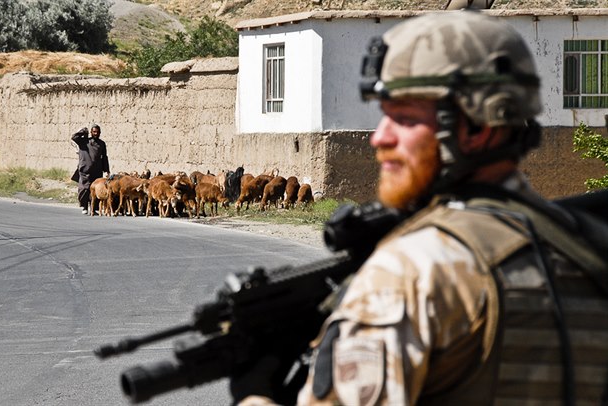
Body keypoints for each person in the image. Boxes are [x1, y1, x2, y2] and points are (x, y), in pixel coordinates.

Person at [232, 10, 608, 406]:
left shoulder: (411, 273)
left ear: (477, 128)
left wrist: (254, 394)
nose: (380, 137)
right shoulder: (583, 248)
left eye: (404, 119)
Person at [71, 124, 110, 214]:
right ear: (91, 132)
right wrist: (82, 132)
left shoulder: (101, 144)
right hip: (85, 169)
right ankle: (84, 206)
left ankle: (93, 208)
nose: (96, 134)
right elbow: (74, 137)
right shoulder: (84, 142)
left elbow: (104, 157)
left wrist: (106, 169)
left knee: (96, 190)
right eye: (94, 132)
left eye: (97, 132)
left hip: (97, 170)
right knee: (84, 189)